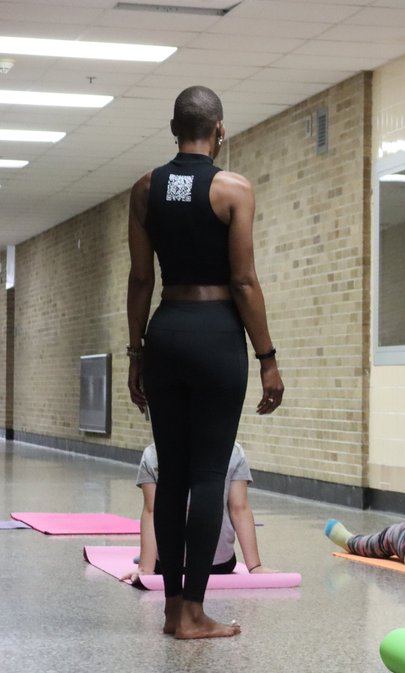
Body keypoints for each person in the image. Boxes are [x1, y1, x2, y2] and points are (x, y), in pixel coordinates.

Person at [126, 85, 284, 639]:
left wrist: (135, 352)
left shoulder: (144, 189)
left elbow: (141, 278)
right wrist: (267, 357)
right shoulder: (232, 189)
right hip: (217, 336)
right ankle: (194, 611)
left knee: (171, 477)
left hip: (165, 332)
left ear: (174, 130)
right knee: (209, 474)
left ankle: (174, 610)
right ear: (220, 129)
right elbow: (243, 280)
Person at [121, 442, 275, 585]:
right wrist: (255, 566)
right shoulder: (233, 450)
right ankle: (145, 559)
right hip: (218, 565)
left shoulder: (153, 453)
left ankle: (145, 558)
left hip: (170, 567)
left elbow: (152, 511)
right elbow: (239, 509)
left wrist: (146, 568)